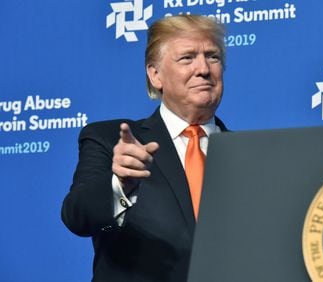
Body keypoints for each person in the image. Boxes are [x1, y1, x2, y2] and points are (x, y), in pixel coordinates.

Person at [61, 15, 228, 282]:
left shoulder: (247, 155)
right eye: (187, 58)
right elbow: (78, 217)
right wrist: (120, 186)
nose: (204, 69)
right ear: (155, 75)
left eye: (213, 57)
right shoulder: (109, 139)